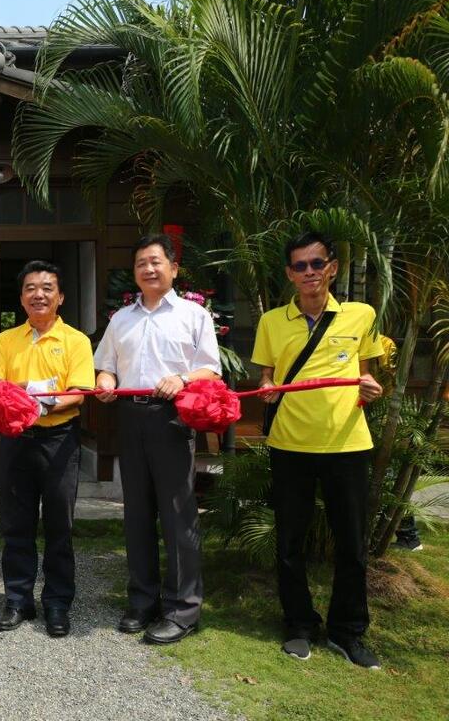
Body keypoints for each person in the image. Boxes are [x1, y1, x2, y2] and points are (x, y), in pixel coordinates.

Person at [252, 231, 384, 668]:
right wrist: (267, 389)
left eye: (317, 263)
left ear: (333, 267)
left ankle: (348, 631)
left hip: (347, 443)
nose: (310, 273)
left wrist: (370, 389)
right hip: (290, 444)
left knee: (352, 544)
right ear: (290, 274)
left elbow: (366, 379)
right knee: (290, 542)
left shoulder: (360, 315)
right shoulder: (272, 321)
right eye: (300, 266)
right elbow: (266, 379)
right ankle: (298, 625)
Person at [93, 234, 221, 645]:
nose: (148, 269)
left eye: (155, 262)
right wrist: (105, 382)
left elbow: (210, 370)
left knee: (178, 513)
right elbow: (106, 367)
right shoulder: (121, 319)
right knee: (136, 513)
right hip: (130, 419)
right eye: (141, 264)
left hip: (173, 418)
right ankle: (142, 600)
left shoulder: (193, 315)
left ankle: (184, 609)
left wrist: (181, 378)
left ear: (173, 269)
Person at [0, 260, 94, 638]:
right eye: (30, 288)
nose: (38, 294)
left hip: (58, 440)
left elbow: (77, 394)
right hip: (15, 441)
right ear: (22, 297)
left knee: (59, 526)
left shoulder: (76, 341)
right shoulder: (6, 340)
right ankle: (18, 600)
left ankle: (58, 604)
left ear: (60, 297)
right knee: (16, 525)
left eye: (47, 287)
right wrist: (27, 397)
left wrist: (29, 399)